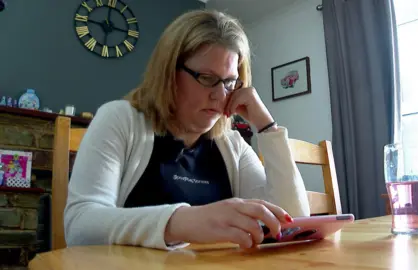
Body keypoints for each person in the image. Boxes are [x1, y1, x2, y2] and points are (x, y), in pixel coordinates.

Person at [64, 9, 310, 251]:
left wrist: (267, 128)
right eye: (206, 77)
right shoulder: (120, 119)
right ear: (169, 72)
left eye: (229, 82)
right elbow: (79, 227)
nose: (220, 95)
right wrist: (180, 222)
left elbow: (293, 222)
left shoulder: (231, 145)